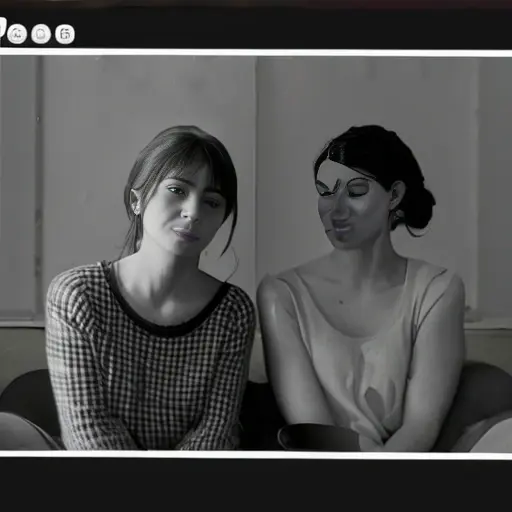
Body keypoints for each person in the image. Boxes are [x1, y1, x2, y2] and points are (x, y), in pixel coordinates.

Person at [257, 124, 512, 452]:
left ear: (394, 195)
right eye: (325, 192)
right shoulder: (281, 295)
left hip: (411, 466)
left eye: (356, 191)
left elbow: (422, 425)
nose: (336, 210)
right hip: (324, 467)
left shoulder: (437, 289)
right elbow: (315, 432)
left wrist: (385, 475)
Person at [46, 125, 256, 450]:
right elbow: (88, 432)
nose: (193, 212)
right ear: (137, 200)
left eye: (212, 202)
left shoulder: (233, 312)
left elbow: (214, 432)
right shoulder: (77, 296)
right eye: (177, 190)